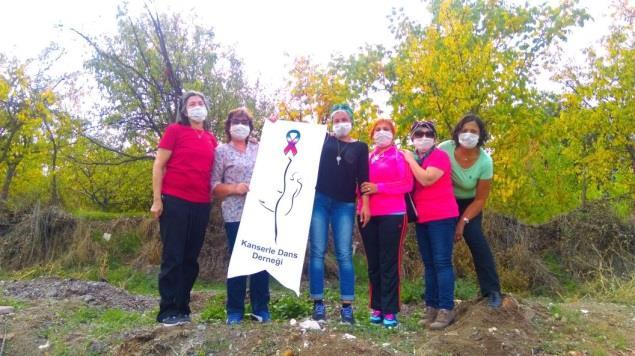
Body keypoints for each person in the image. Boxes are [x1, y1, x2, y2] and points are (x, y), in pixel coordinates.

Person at [150, 90, 218, 326]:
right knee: (174, 256)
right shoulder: (174, 131)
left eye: (200, 102)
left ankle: (183, 306)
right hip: (175, 200)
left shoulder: (211, 138)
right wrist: (157, 199)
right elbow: (159, 165)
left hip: (201, 204)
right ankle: (167, 310)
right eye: (192, 103)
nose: (197, 106)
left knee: (190, 258)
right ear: (185, 110)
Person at [309, 103, 370, 324]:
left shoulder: (361, 147)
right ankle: (318, 305)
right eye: (336, 120)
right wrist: (276, 125)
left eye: (344, 119)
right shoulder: (323, 139)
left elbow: (364, 179)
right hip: (319, 201)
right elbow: (294, 137)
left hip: (345, 205)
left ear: (351, 121)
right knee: (317, 251)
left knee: (344, 254)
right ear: (331, 123)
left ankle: (346, 307)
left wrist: (366, 205)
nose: (340, 123)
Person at [211, 108, 271, 325]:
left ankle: (260, 309)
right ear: (228, 126)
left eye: (245, 121)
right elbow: (214, 186)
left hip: (261, 212)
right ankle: (234, 310)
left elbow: (279, 153)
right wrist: (235, 188)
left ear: (250, 127)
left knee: (260, 259)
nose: (240, 124)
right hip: (234, 212)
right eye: (236, 121)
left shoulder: (258, 148)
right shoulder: (221, 151)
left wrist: (274, 126)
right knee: (238, 261)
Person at [438, 113, 502, 309]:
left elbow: (481, 198)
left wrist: (462, 222)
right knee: (440, 244)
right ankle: (436, 294)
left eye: (473, 131)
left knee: (476, 239)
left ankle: (492, 291)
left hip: (470, 204)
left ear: (480, 135)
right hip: (445, 200)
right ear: (457, 132)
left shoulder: (485, 162)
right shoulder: (444, 149)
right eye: (464, 130)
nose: (468, 134)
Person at [403, 121, 459, 330]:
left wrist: (409, 159)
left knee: (442, 262)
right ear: (412, 138)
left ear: (435, 138)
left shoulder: (439, 157)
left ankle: (446, 308)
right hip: (422, 218)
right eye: (419, 133)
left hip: (442, 216)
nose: (423, 137)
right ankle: (431, 307)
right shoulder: (417, 159)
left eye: (428, 134)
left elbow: (427, 179)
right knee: (429, 264)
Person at [358, 118, 413, 328]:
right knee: (373, 263)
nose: (382, 132)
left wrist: (378, 188)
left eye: (386, 129)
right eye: (378, 129)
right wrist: (363, 205)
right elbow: (359, 185)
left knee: (389, 262)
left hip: (393, 214)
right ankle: (377, 307)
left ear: (393, 134)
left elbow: (407, 184)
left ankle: (390, 310)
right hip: (367, 213)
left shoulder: (400, 156)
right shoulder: (367, 157)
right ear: (372, 134)